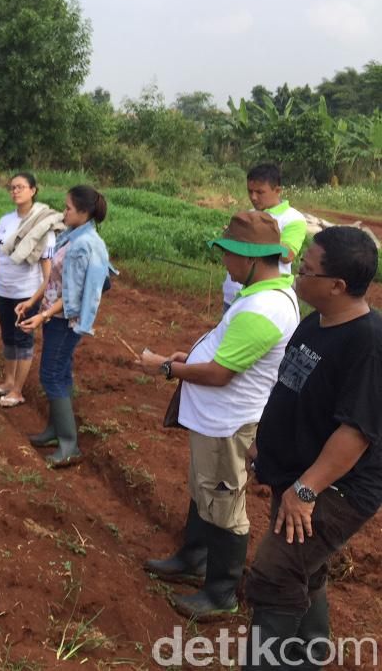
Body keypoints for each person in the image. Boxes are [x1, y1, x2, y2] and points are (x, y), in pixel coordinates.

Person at [138, 211, 300, 621]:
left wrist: (165, 366)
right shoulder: (263, 293)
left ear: (248, 258)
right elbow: (225, 349)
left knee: (225, 504)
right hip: (216, 420)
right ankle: (193, 558)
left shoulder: (264, 307)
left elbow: (219, 373)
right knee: (204, 489)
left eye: (227, 253)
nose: (223, 261)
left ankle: (221, 592)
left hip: (230, 422)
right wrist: (188, 354)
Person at [242, 227, 380, 669]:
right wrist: (267, 444)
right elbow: (291, 387)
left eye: (306, 269)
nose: (295, 275)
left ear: (337, 285)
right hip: (297, 475)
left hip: (334, 487)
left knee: (274, 572)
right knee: (305, 567)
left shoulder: (368, 344)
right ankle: (307, 657)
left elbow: (355, 433)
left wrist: (305, 491)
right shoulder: (314, 320)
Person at [18, 185, 110, 467]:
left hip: (64, 321)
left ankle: (69, 444)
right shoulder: (72, 236)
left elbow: (74, 293)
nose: (63, 211)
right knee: (60, 373)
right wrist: (33, 302)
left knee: (51, 375)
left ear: (83, 212)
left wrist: (44, 316)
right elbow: (55, 279)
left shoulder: (84, 244)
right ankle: (54, 431)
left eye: (68, 208)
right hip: (54, 317)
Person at [0, 173, 55, 408]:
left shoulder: (41, 225)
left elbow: (48, 272)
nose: (15, 191)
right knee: (7, 337)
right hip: (3, 289)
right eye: (12, 187)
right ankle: (7, 381)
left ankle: (17, 390)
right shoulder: (6, 221)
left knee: (23, 339)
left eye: (21, 187)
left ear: (33, 190)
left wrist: (37, 299)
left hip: (26, 293)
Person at [223, 163, 306, 311]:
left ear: (277, 190)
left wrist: (250, 236)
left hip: (263, 300)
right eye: (250, 191)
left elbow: (288, 255)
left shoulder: (293, 219)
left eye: (260, 192)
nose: (253, 197)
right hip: (233, 295)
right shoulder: (248, 215)